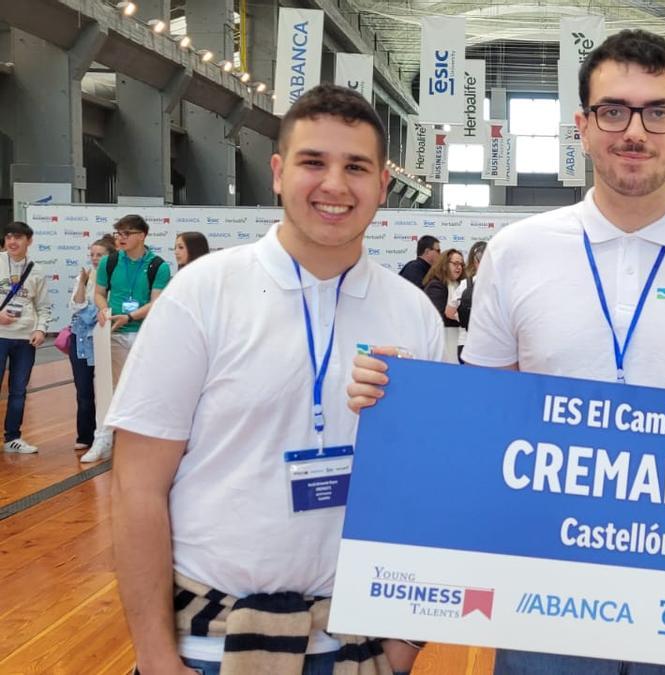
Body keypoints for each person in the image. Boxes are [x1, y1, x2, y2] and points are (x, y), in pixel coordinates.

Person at [348, 30, 665, 675]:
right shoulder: (518, 250)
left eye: (658, 112)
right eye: (613, 111)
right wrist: (412, 404)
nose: (634, 131)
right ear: (583, 126)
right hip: (541, 586)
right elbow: (485, 422)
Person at [107, 84, 440, 674]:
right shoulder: (203, 293)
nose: (335, 185)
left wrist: (404, 642)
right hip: (209, 646)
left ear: (383, 185)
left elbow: (426, 495)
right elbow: (137, 487)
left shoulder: (412, 313)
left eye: (356, 167)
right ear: (280, 173)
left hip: (351, 648)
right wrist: (157, 659)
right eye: (314, 162)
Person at [81, 213, 172, 463]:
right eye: (118, 233)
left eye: (126, 233)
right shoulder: (110, 262)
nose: (120, 238)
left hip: (144, 334)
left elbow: (156, 302)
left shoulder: (158, 265)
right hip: (113, 333)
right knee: (107, 388)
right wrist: (103, 309)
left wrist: (130, 317)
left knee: (145, 389)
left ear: (141, 235)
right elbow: (99, 294)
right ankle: (103, 439)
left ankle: (144, 441)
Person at [0, 221, 52, 454]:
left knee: (19, 391)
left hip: (24, 340)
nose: (12, 241)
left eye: (18, 237)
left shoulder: (36, 270)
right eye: (9, 237)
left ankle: (12, 438)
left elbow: (43, 306)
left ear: (28, 241)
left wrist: (40, 329)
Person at [68, 235, 117, 452]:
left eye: (100, 255)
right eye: (92, 255)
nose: (95, 259)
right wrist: (83, 282)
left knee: (110, 389)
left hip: (105, 338)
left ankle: (108, 434)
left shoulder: (115, 279)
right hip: (80, 340)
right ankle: (85, 435)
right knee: (84, 390)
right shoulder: (84, 277)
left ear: (110, 256)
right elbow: (76, 306)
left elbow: (104, 310)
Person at [422, 248, 465, 363]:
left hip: (456, 341)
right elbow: (439, 317)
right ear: (445, 265)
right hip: (443, 343)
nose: (459, 267)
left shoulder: (460, 285)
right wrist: (463, 319)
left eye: (461, 264)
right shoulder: (436, 286)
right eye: (455, 263)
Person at [454, 240, 487, 362]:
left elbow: (449, 311)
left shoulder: (464, 284)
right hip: (490, 344)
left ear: (475, 262)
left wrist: (463, 318)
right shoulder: (499, 284)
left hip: (465, 342)